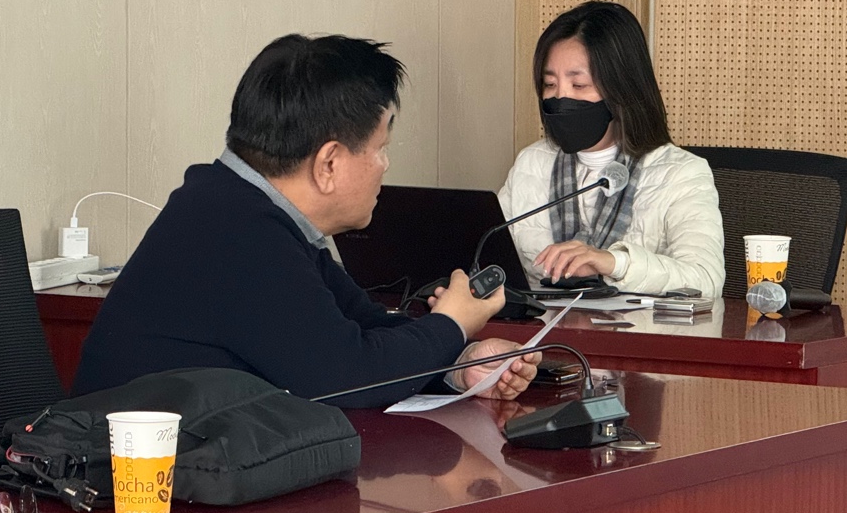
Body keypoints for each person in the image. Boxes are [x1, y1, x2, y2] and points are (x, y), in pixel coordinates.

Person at [74, 34, 539, 407]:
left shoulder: (247, 209)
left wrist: (462, 364)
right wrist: (452, 324)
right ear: (329, 164)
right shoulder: (235, 232)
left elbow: (365, 330)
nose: (385, 165)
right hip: (127, 482)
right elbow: (349, 376)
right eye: (381, 148)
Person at [497, 1, 725, 298]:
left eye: (579, 85)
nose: (560, 97)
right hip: (542, 322)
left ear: (621, 89)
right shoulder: (532, 163)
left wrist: (614, 263)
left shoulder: (681, 173)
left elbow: (706, 280)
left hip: (634, 328)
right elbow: (490, 256)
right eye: (550, 84)